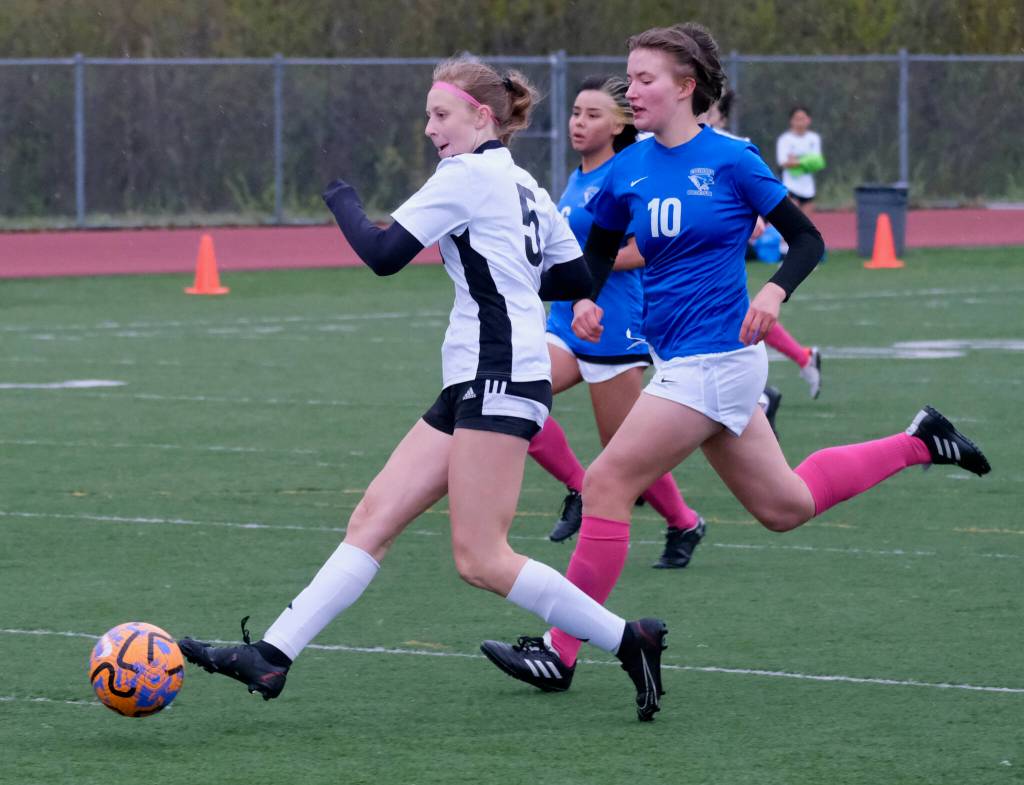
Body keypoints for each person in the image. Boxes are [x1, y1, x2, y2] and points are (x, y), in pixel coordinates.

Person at [480, 22, 990, 695]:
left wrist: (775, 291)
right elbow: (597, 259)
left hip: (717, 360)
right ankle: (920, 441)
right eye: (628, 77)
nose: (631, 89)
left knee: (605, 484)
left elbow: (807, 241)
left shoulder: (732, 159)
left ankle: (561, 648)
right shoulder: (628, 168)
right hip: (682, 363)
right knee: (786, 505)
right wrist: (577, 296)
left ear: (686, 87)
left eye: (644, 79)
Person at [178, 56, 668, 722]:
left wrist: (339, 197)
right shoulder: (523, 182)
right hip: (480, 376)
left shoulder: (466, 175)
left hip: (499, 374)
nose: (429, 128)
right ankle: (273, 653)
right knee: (373, 518)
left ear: (480, 115)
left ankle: (626, 637)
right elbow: (573, 275)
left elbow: (384, 255)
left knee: (480, 556)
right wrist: (549, 291)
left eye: (440, 115)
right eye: (428, 116)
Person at [529, 74, 706, 570]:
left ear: (618, 124)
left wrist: (590, 269)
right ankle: (578, 490)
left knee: (625, 450)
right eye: (576, 113)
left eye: (592, 114)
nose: (578, 122)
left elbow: (648, 247)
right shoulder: (578, 176)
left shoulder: (629, 174)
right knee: (517, 396)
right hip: (566, 320)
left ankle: (684, 521)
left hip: (615, 323)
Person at [707, 90, 823, 399]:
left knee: (740, 316)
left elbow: (805, 236)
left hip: (714, 260)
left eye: (710, 109)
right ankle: (795, 363)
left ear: (721, 116)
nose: (702, 114)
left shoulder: (733, 150)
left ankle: (758, 397)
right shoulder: (655, 144)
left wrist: (753, 215)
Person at [776, 105, 823, 216]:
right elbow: (783, 162)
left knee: (807, 225)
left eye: (803, 119)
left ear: (808, 120)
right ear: (791, 121)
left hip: (808, 189)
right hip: (790, 188)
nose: (800, 122)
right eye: (797, 119)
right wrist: (807, 161)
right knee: (791, 223)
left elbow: (817, 162)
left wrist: (797, 161)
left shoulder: (814, 138)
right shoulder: (784, 140)